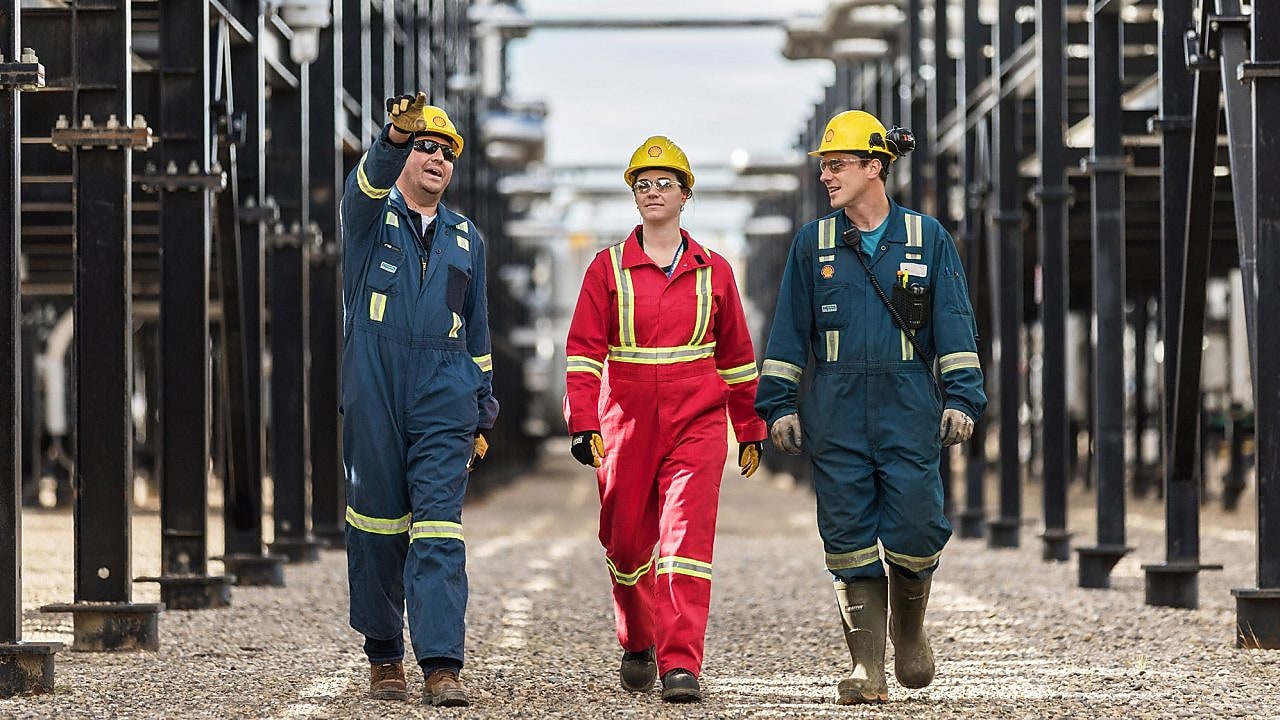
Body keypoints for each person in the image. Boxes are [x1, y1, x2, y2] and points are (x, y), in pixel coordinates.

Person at [755, 110, 986, 704]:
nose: (827, 176)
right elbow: (788, 333)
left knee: (916, 523)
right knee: (848, 532)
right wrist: (779, 404)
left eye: (837, 165)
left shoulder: (927, 238)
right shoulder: (814, 244)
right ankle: (867, 667)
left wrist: (961, 396)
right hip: (835, 406)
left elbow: (954, 323)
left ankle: (909, 633)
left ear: (874, 167)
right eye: (825, 167)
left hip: (908, 401)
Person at [563, 136, 767, 703]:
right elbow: (582, 353)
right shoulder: (606, 269)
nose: (653, 192)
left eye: (664, 184)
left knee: (684, 542)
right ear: (635, 197)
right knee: (626, 543)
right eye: (643, 184)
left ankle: (681, 664)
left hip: (696, 419)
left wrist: (749, 427)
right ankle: (637, 638)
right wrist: (584, 421)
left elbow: (737, 356)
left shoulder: (715, 270)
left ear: (685, 195)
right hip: (626, 418)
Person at [339, 92, 498, 707]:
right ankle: (384, 655)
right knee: (377, 522)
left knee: (438, 526)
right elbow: (368, 181)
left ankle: (440, 663)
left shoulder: (466, 238)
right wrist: (390, 139)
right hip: (375, 384)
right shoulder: (367, 219)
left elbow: (478, 333)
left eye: (445, 151)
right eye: (424, 147)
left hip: (444, 391)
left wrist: (482, 408)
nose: (435, 157)